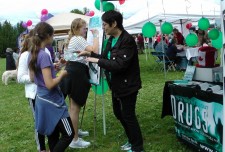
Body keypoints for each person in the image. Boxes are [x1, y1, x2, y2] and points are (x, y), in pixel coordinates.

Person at [78, 10, 144, 152]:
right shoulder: (110, 40)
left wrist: (97, 60)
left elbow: (120, 65)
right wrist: (90, 54)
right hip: (115, 84)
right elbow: (104, 57)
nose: (103, 27)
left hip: (128, 85)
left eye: (104, 24)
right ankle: (132, 140)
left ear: (114, 24)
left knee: (128, 115)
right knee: (118, 113)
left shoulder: (127, 41)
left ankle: (138, 146)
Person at [28, 22, 74, 151]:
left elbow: (33, 78)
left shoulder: (33, 53)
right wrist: (61, 74)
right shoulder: (43, 55)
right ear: (48, 36)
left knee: (53, 134)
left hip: (41, 99)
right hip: (52, 101)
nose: (53, 38)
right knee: (68, 134)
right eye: (53, 35)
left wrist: (53, 67)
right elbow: (49, 84)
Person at [61, 18, 99, 148]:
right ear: (77, 28)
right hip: (77, 73)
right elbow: (95, 50)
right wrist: (96, 36)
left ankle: (74, 132)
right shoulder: (78, 38)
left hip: (73, 72)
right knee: (75, 108)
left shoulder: (73, 39)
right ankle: (74, 140)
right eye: (84, 28)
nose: (86, 30)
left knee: (73, 107)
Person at [17, 33, 47, 152]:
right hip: (34, 94)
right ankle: (41, 148)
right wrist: (34, 78)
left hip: (47, 92)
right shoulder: (25, 55)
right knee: (39, 122)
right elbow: (20, 78)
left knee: (48, 119)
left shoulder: (45, 52)